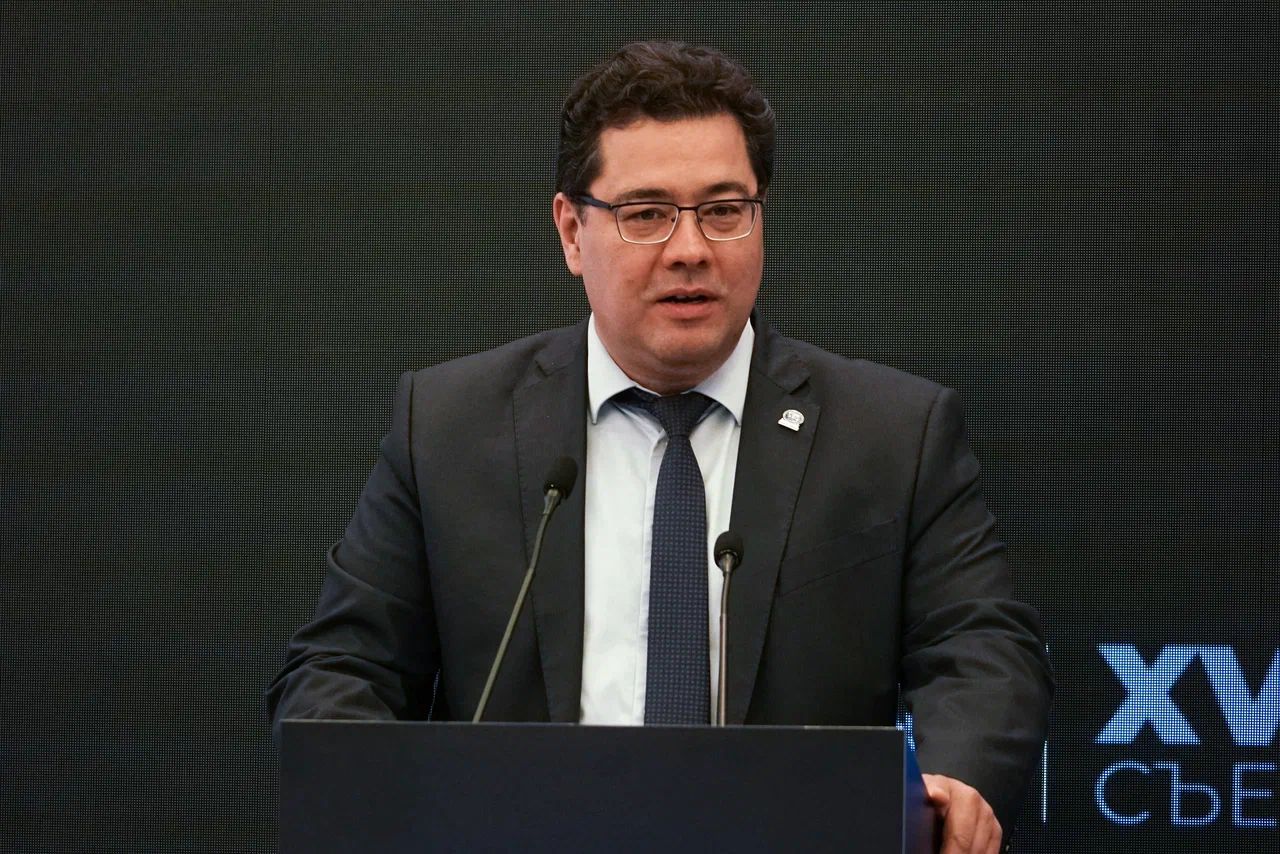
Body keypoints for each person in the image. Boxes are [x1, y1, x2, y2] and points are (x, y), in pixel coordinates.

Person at [267, 40, 1052, 854]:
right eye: (646, 214)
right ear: (572, 232)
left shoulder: (892, 432)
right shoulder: (449, 425)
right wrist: (380, 805)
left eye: (724, 210)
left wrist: (951, 781)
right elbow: (342, 668)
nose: (690, 250)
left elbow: (984, 651)